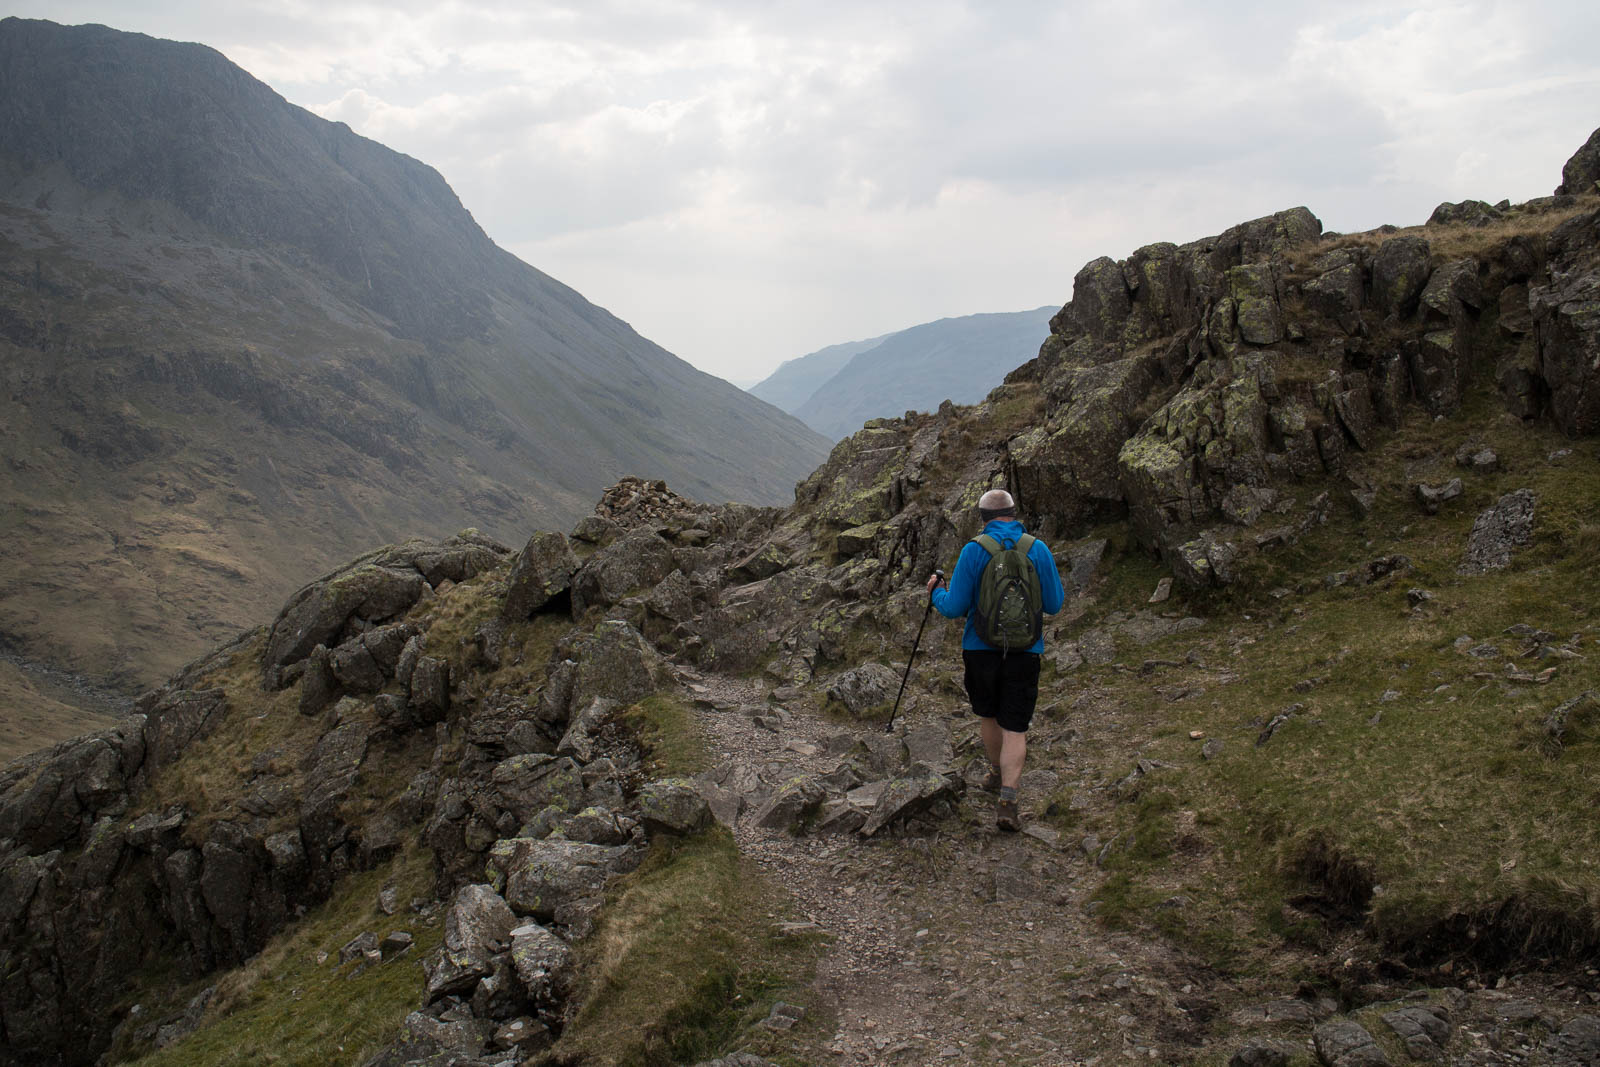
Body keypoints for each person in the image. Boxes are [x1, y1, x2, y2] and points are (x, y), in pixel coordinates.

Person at [927, 489, 1064, 831]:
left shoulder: (975, 550)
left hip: (980, 649)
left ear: (982, 518)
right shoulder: (1038, 548)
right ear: (1013, 514)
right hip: (1026, 652)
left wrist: (934, 592)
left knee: (988, 714)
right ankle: (1008, 800)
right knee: (1015, 726)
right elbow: (1054, 604)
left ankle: (994, 772)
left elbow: (955, 607)